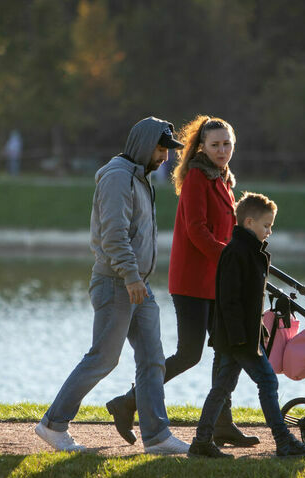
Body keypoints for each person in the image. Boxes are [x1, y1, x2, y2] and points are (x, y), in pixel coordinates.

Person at [34, 116, 190, 455]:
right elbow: (114, 235)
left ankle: (157, 436)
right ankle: (53, 425)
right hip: (117, 283)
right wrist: (132, 277)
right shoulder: (118, 178)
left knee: (153, 359)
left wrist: (138, 280)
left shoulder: (139, 177)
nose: (166, 157)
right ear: (146, 146)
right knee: (103, 359)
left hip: (138, 284)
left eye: (167, 151)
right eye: (162, 150)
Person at [106, 116, 259, 448]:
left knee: (227, 349)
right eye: (215, 144)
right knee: (190, 354)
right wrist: (231, 259)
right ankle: (127, 403)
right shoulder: (196, 178)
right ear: (202, 147)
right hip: (192, 281)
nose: (222, 150)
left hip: (218, 281)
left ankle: (222, 422)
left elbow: (225, 231)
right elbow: (197, 231)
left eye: (227, 144)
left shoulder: (224, 179)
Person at [187, 192, 305, 458]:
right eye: (266, 225)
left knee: (222, 387)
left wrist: (257, 327)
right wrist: (241, 336)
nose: (270, 231)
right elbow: (229, 300)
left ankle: (201, 442)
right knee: (268, 381)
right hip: (238, 337)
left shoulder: (248, 251)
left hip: (239, 335)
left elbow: (249, 300)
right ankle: (283, 441)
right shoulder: (237, 253)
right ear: (249, 222)